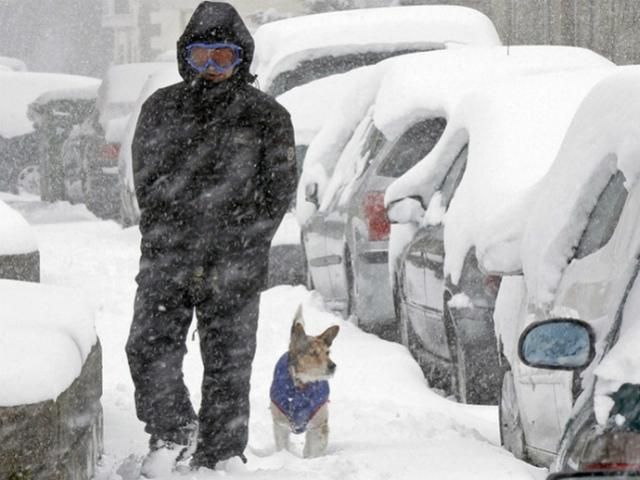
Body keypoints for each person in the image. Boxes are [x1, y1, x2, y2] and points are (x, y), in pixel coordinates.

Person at [124, 1, 297, 475]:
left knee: (228, 364)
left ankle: (220, 454)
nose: (213, 69)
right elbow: (148, 184)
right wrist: (169, 242)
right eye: (203, 57)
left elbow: (277, 192)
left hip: (235, 263)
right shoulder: (161, 108)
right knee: (148, 345)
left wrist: (241, 244)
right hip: (169, 259)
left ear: (241, 58)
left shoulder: (267, 117)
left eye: (224, 58)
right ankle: (174, 430)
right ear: (187, 58)